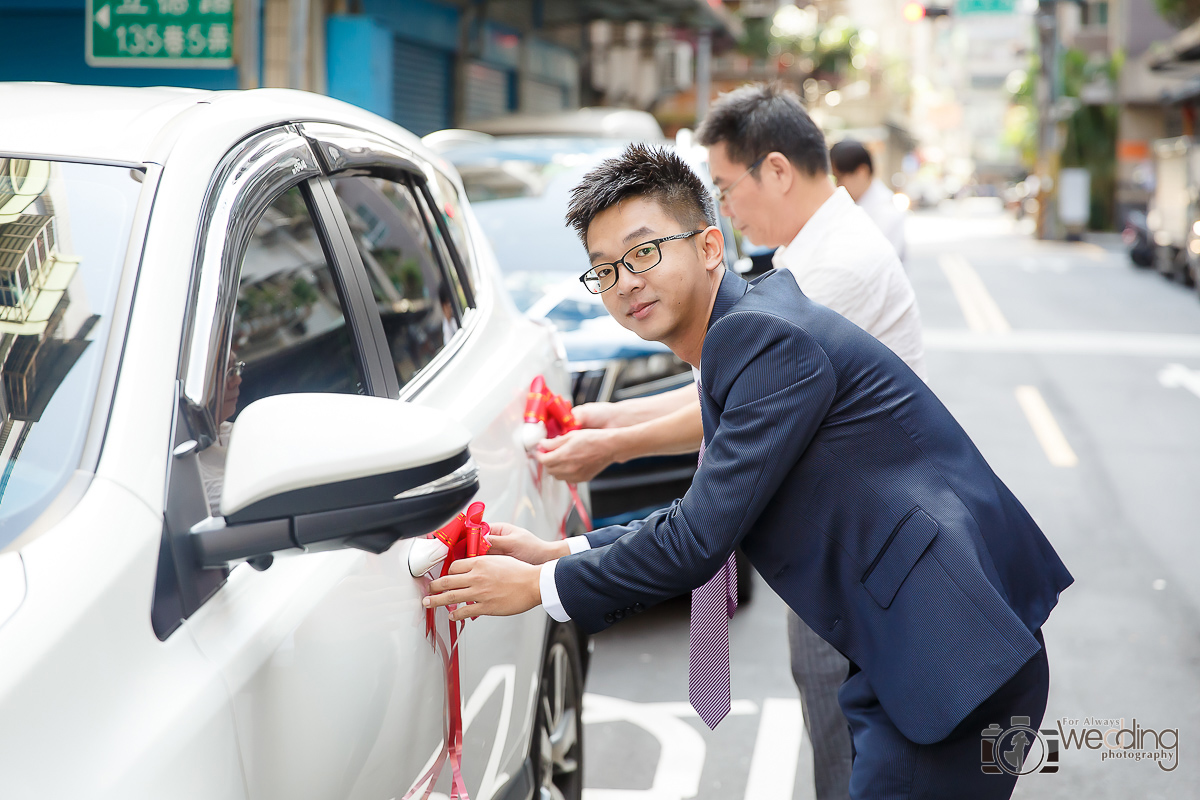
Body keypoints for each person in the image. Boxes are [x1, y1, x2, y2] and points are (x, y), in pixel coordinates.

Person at [424, 141, 1073, 799]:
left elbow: (697, 540)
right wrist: (556, 551)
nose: (625, 281)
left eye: (643, 251)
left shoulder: (760, 339)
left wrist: (541, 585)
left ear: (710, 247)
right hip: (915, 648)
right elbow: (703, 514)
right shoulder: (744, 336)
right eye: (605, 268)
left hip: (951, 653)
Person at [535, 83, 924, 800]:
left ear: (775, 171)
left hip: (875, 573)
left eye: (724, 188)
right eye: (606, 270)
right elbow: (724, 389)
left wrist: (606, 459)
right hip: (853, 557)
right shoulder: (800, 267)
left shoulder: (824, 275)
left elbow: (736, 419)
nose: (728, 208)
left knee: (856, 755)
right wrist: (608, 423)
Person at [829, 139, 908, 262]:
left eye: (839, 178)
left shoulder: (887, 213)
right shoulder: (850, 205)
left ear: (861, 172)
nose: (837, 185)